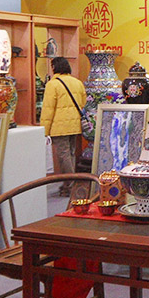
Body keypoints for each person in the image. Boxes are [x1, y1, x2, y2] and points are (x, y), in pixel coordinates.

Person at [40, 57, 87, 196]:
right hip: (74, 125)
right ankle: (68, 183)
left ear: (54, 67)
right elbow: (82, 103)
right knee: (71, 154)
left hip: (59, 126)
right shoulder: (77, 83)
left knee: (63, 156)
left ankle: (70, 185)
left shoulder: (52, 84)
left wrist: (44, 129)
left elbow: (48, 109)